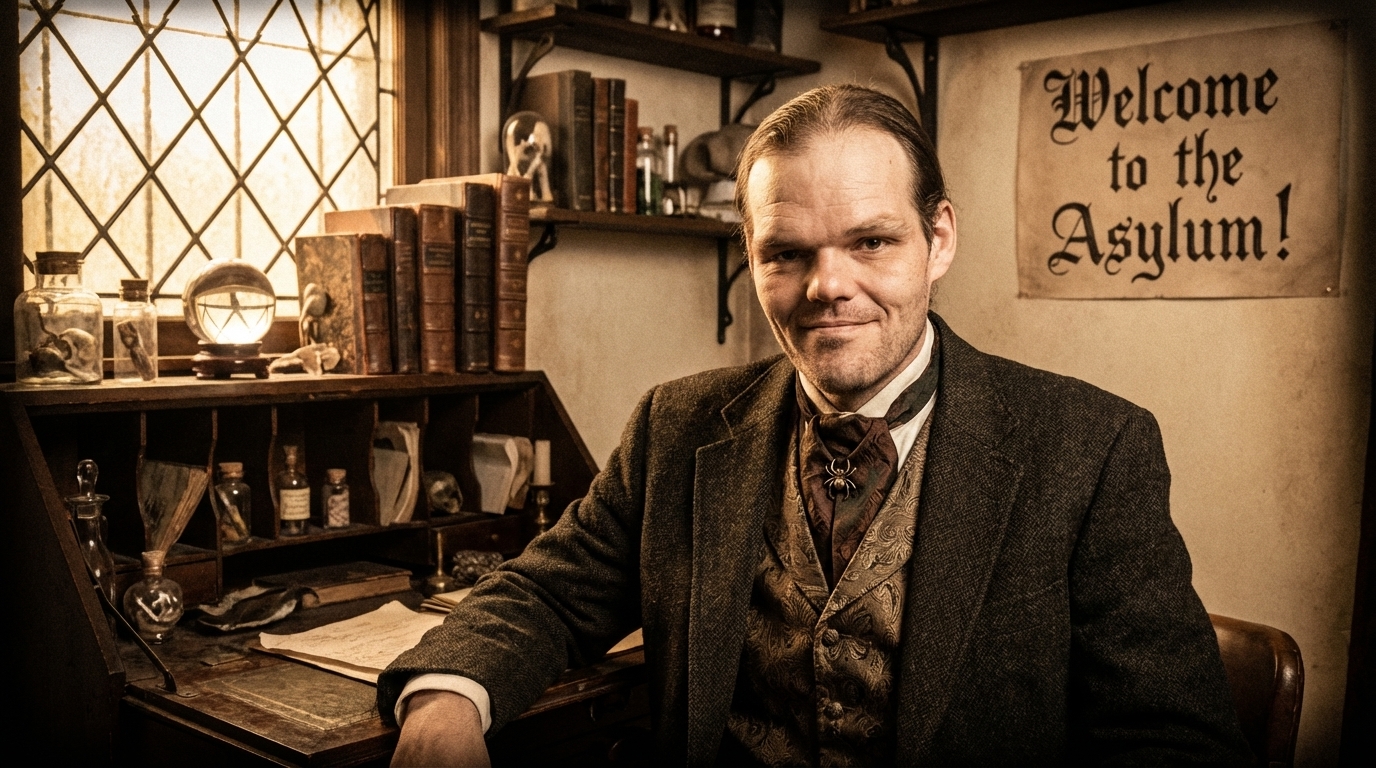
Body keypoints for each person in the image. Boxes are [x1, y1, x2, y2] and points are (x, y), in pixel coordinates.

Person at [381, 85, 1251, 767]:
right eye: (787, 253)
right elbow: (545, 595)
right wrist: (445, 701)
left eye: (870, 242)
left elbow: (1174, 742)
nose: (826, 286)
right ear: (751, 255)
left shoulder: (1092, 450)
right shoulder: (675, 427)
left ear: (939, 239)